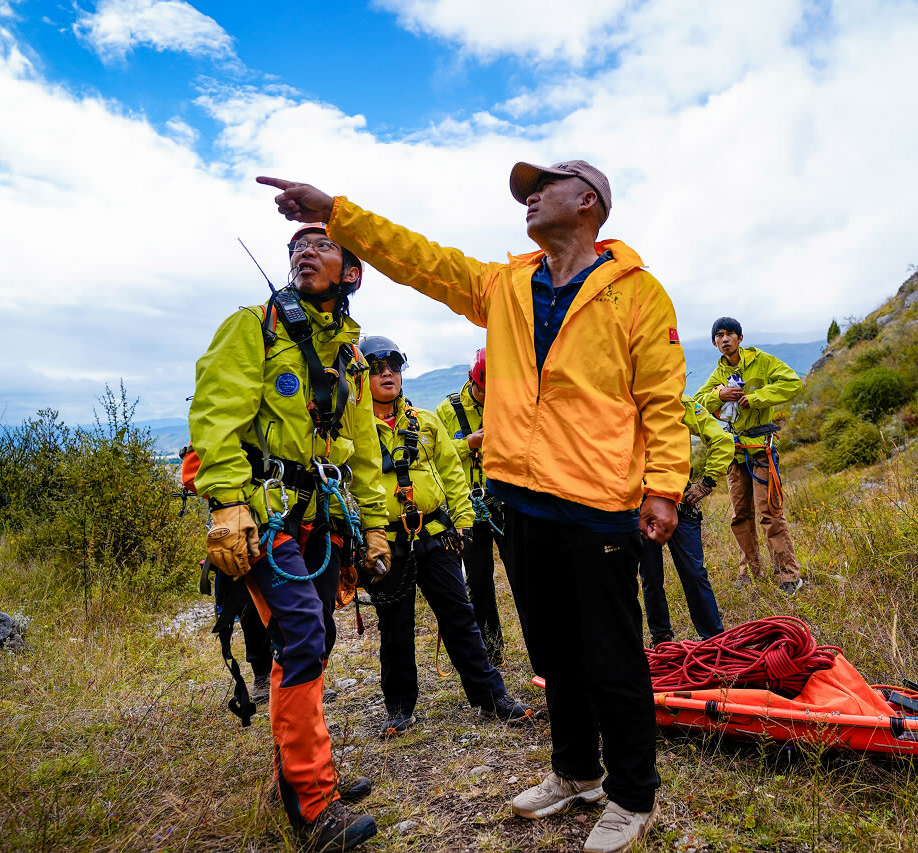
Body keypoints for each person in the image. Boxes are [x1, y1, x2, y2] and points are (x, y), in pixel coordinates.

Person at [258, 158, 690, 853]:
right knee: (552, 649)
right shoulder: (506, 284)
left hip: (600, 501)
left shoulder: (638, 294)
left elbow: (664, 402)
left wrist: (665, 486)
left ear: (587, 201)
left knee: (611, 654)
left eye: (540, 187)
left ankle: (633, 793)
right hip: (521, 499)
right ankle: (576, 771)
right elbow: (419, 259)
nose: (527, 197)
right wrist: (335, 212)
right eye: (525, 191)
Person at [189, 223, 392, 851]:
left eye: (322, 245)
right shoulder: (255, 326)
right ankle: (313, 805)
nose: (305, 251)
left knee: (318, 635)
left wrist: (375, 525)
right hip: (264, 512)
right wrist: (226, 505)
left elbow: (360, 448)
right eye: (297, 247)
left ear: (351, 274)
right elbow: (216, 413)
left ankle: (301, 773)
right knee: (302, 637)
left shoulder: (351, 358)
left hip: (321, 517)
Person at [358, 334, 535, 735]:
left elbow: (453, 476)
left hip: (436, 535)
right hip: (384, 541)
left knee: (460, 616)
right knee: (395, 626)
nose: (387, 374)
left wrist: (464, 521)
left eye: (394, 367)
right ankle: (400, 708)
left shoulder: (426, 422)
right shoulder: (352, 431)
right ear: (361, 377)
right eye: (376, 368)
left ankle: (491, 696)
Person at [694, 317, 804, 594]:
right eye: (719, 335)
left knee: (770, 514)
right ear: (714, 342)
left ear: (740, 338)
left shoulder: (762, 361)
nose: (725, 339)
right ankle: (749, 572)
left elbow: (792, 383)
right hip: (735, 452)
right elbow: (697, 401)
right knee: (740, 515)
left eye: (730, 333)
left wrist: (756, 398)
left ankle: (787, 575)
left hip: (761, 450)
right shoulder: (719, 373)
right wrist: (720, 394)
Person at [639, 394, 731, 647]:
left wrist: (707, 482)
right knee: (669, 573)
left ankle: (709, 639)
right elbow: (722, 439)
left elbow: (722, 440)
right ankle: (671, 639)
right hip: (658, 499)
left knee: (660, 574)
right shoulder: (675, 402)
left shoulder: (681, 404)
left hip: (662, 501)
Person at [434, 347, 507, 665]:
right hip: (470, 508)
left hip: (505, 506)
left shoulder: (505, 402)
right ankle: (492, 648)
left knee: (525, 574)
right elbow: (435, 454)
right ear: (470, 381)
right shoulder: (446, 411)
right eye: (481, 390)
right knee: (478, 579)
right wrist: (469, 444)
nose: (485, 397)